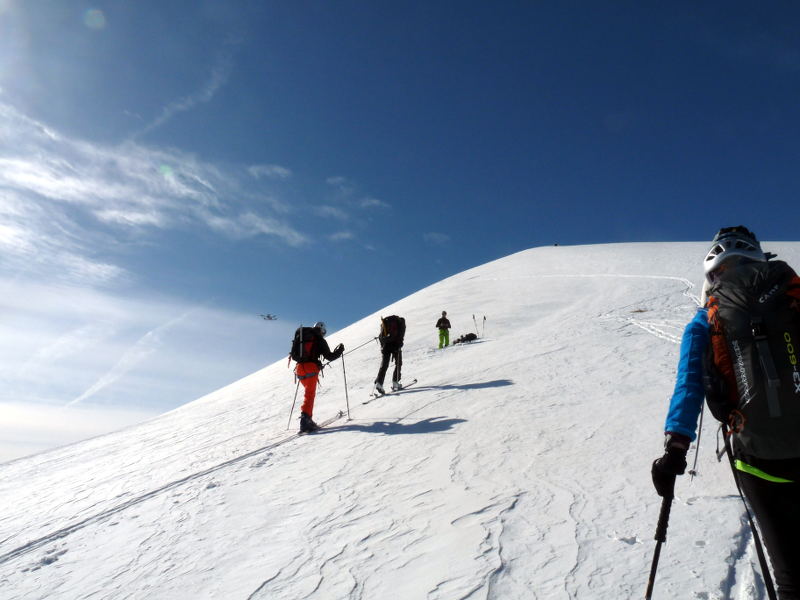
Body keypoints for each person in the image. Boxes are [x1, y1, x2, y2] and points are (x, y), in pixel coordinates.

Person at [652, 226, 800, 598]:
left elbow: (689, 385)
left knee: (791, 576)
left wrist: (675, 449)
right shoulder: (792, 295)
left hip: (756, 461)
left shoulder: (705, 320)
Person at [293, 321, 344, 432]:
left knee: (308, 394)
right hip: (311, 368)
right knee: (309, 394)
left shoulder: (302, 337)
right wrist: (340, 350)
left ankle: (307, 418)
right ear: (322, 330)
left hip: (299, 369)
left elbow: (294, 356)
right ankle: (305, 420)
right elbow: (330, 356)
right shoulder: (319, 339)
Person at [374, 315, 406, 394]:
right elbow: (401, 335)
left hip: (385, 346)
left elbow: (381, 337)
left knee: (384, 365)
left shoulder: (385, 323)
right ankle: (395, 381)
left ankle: (379, 383)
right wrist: (400, 344)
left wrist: (383, 347)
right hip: (395, 345)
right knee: (398, 363)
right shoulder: (401, 323)